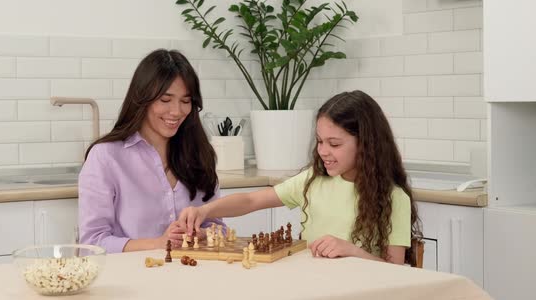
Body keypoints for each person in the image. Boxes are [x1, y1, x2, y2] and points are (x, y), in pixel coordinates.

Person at [178, 90, 421, 264]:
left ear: (366, 145)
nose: (323, 151)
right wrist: (205, 211)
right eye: (319, 141)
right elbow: (251, 201)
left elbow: (394, 270)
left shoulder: (393, 197)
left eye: (334, 144)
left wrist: (350, 250)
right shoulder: (313, 180)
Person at [79, 49, 225, 253]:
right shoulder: (106, 156)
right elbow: (92, 243)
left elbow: (218, 228)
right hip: (133, 277)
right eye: (165, 100)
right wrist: (158, 243)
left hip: (193, 274)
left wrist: (203, 235)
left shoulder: (198, 153)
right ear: (142, 99)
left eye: (185, 101)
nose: (176, 111)